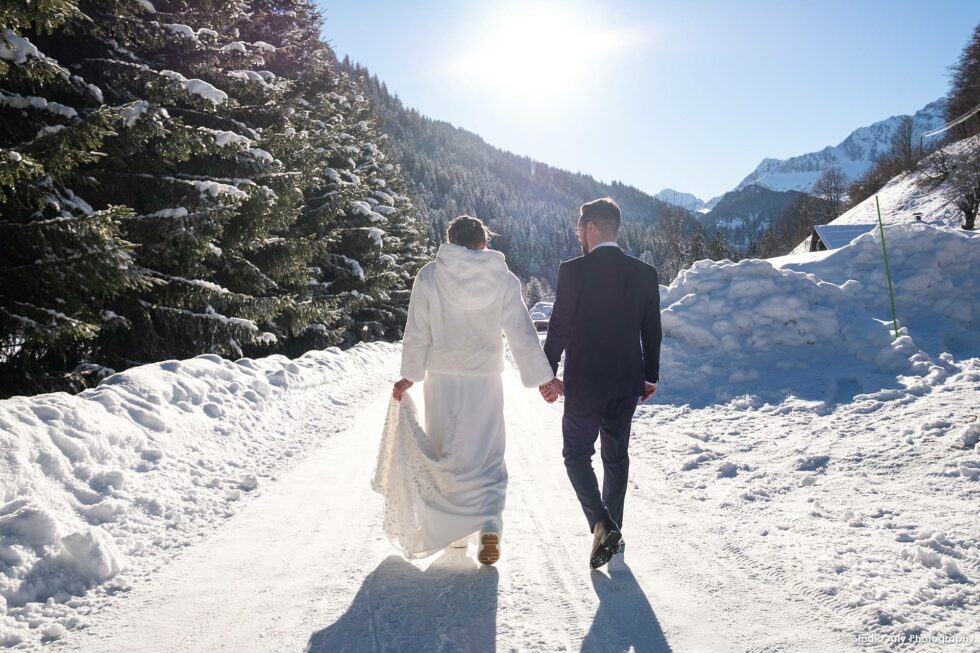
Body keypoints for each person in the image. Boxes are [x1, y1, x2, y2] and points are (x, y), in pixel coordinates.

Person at [375, 215, 561, 566]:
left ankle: (456, 535)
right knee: (487, 454)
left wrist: (408, 376)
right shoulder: (502, 279)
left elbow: (417, 332)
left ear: (450, 241)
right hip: (484, 380)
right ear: (483, 243)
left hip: (441, 379)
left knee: (449, 455)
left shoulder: (430, 276)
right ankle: (489, 525)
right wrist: (543, 378)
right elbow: (521, 333)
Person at [543, 197, 662, 570]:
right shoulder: (644, 273)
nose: (579, 234)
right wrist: (650, 375)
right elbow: (652, 330)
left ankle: (602, 524)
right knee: (616, 457)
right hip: (626, 380)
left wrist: (547, 373)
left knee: (576, 454)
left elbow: (560, 324)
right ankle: (614, 531)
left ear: (592, 227)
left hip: (584, 382)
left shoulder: (573, 271)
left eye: (580, 227)